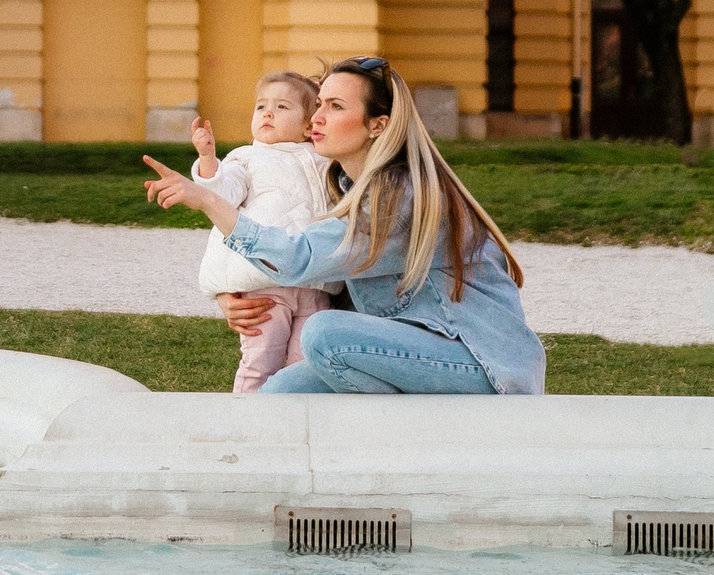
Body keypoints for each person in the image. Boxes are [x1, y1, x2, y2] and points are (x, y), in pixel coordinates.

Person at [144, 56, 543, 395]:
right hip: (409, 347)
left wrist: (208, 200)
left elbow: (301, 257)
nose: (316, 117)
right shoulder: (344, 188)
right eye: (318, 104)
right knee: (279, 393)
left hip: (482, 363)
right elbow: (333, 281)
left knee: (324, 335)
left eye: (335, 106)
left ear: (377, 125)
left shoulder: (400, 197)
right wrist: (237, 295)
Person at [188, 72, 335, 394]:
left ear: (310, 125)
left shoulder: (327, 162)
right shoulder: (245, 159)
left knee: (304, 366)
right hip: (265, 285)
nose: (267, 113)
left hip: (317, 286)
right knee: (260, 360)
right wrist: (208, 160)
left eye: (282, 107)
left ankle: (292, 426)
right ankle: (244, 422)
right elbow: (222, 195)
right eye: (261, 107)